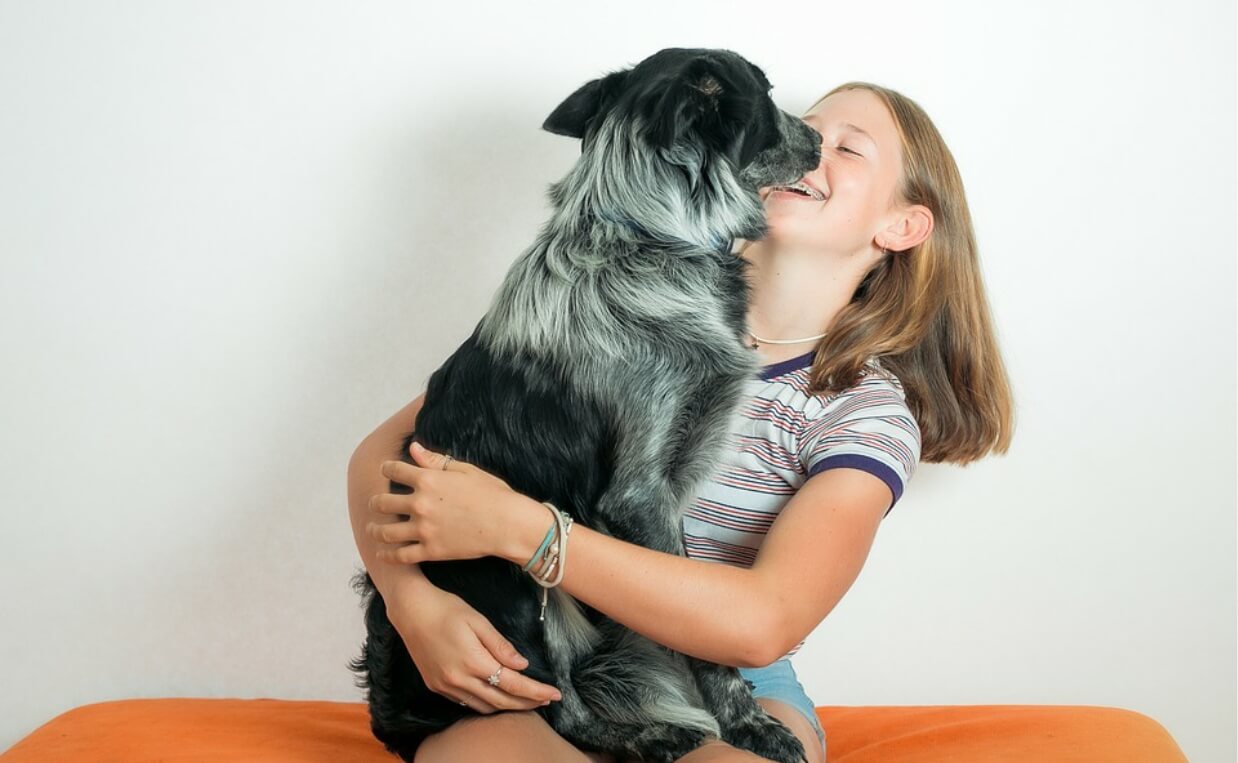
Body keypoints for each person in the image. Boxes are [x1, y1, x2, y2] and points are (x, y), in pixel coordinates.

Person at [347, 81, 1014, 763]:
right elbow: (384, 457)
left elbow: (762, 621)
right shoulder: (610, 299)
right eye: (800, 128)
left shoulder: (859, 412)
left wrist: (526, 531)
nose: (808, 147)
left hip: (728, 678)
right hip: (540, 652)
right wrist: (410, 601)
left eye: (848, 148)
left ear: (902, 225)